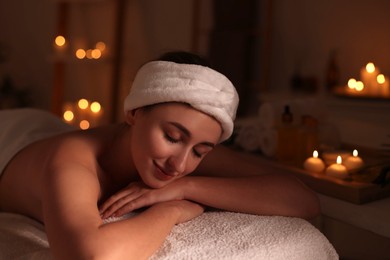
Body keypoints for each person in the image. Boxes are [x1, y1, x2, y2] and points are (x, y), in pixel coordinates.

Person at [0, 51, 320, 259]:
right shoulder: (71, 161)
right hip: (10, 138)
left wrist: (184, 188)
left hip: (47, 130)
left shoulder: (183, 160)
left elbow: (302, 200)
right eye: (171, 137)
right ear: (134, 113)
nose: (179, 164)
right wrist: (172, 212)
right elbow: (90, 256)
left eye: (200, 151)